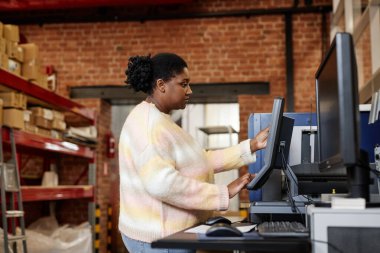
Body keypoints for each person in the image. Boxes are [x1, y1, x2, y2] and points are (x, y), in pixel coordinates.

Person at [119, 52, 269, 253]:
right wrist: (223, 193)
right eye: (184, 84)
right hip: (159, 239)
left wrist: (250, 146)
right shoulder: (149, 126)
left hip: (172, 235)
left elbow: (199, 160)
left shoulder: (162, 120)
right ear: (161, 85)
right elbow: (163, 183)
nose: (190, 91)